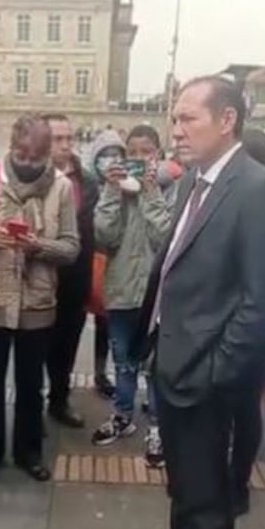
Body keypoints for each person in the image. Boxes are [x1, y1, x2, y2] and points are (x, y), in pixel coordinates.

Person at [121, 77, 265, 529]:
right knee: (183, 482)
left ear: (227, 120)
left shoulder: (259, 189)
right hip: (171, 359)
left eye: (188, 118)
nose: (176, 130)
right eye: (175, 119)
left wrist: (218, 370)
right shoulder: (197, 178)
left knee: (208, 495)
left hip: (206, 374)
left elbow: (259, 298)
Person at [0, 115, 80, 483]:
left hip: (36, 302)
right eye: (21, 155)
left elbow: (71, 248)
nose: (28, 163)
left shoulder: (61, 187)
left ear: (48, 155)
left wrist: (38, 246)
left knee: (31, 384)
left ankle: (29, 453)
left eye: (36, 158)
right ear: (11, 148)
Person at [90, 125, 173, 470]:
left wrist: (151, 194)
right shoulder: (114, 190)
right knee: (123, 358)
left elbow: (165, 239)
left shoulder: (172, 188)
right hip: (122, 289)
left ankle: (157, 426)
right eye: (132, 153)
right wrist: (112, 191)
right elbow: (103, 236)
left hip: (156, 295)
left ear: (158, 154)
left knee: (155, 365)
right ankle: (123, 414)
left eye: (146, 152)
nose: (139, 159)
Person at [230, 128, 265, 515]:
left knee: (237, 404)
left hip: (253, 320)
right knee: (247, 404)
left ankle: (234, 482)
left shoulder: (257, 199)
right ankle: (238, 484)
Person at [42, 112, 96, 428]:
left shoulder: (87, 181)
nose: (64, 145)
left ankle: (59, 400)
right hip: (40, 277)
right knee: (36, 347)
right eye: (56, 139)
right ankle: (29, 409)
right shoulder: (31, 178)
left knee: (67, 343)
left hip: (76, 279)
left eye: (68, 138)